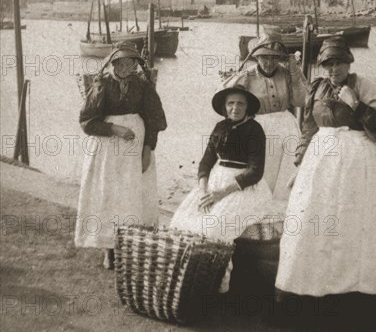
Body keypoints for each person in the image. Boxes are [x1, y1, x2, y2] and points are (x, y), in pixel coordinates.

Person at [275, 35, 376, 297]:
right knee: (310, 216)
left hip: (356, 159)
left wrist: (355, 104)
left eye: (339, 63)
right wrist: (299, 165)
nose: (334, 69)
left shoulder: (364, 86)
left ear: (348, 63)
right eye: (328, 64)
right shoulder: (316, 88)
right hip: (320, 159)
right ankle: (306, 284)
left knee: (350, 219)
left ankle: (353, 288)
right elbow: (308, 127)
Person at [169, 84, 272, 292]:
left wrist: (220, 194)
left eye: (240, 104)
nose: (235, 108)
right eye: (231, 103)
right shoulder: (219, 127)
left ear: (247, 107)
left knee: (215, 228)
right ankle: (185, 278)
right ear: (225, 107)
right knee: (180, 221)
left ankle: (215, 283)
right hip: (215, 181)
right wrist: (203, 189)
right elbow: (206, 162)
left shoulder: (254, 130)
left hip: (242, 186)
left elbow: (255, 171)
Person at [74, 42, 167, 269]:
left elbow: (155, 121)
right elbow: (87, 122)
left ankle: (132, 248)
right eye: (120, 63)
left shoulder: (143, 87)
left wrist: (147, 150)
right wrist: (115, 129)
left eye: (130, 62)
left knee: (133, 196)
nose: (125, 67)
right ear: (113, 64)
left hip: (135, 149)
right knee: (110, 195)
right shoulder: (102, 85)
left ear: (136, 64)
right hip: (107, 149)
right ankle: (109, 249)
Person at [221, 32, 308, 201]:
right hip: (259, 127)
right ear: (257, 57)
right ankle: (260, 206)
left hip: (285, 126)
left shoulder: (287, 74)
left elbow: (301, 101)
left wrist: (295, 74)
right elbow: (227, 103)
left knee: (287, 169)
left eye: (274, 58)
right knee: (263, 168)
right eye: (264, 58)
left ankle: (284, 206)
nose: (269, 63)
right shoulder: (247, 76)